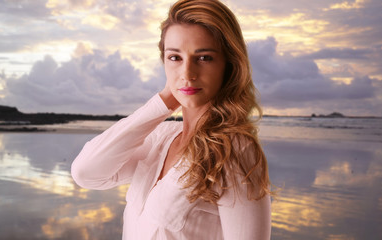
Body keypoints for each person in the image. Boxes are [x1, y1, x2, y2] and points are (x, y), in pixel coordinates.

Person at [71, 0, 272, 239]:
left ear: (228, 65)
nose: (188, 73)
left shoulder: (234, 149)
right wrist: (165, 100)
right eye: (175, 58)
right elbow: (86, 172)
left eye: (204, 57)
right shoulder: (160, 137)